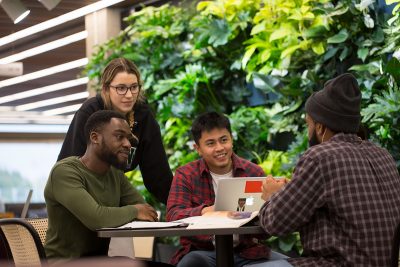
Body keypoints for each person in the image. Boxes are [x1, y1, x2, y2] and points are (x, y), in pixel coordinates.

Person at [251, 73, 400, 267]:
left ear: (320, 128)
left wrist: (272, 196)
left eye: (308, 124)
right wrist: (290, 193)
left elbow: (275, 223)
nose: (308, 131)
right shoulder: (383, 155)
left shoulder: (320, 157)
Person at [44, 110, 168, 266]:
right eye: (119, 136)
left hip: (101, 261)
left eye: (129, 139)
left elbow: (146, 212)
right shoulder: (64, 172)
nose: (128, 144)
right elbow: (97, 219)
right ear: (95, 138)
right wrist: (134, 211)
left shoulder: (115, 173)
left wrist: (137, 211)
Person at [57, 58, 172, 204]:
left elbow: (159, 176)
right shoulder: (90, 112)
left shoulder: (142, 116)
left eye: (134, 87)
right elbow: (68, 170)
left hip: (115, 191)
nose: (129, 95)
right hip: (81, 192)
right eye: (121, 88)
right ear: (106, 88)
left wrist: (183, 208)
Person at [166, 111, 270, 267]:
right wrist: (207, 211)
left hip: (248, 253)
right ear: (198, 148)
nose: (220, 148)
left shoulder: (253, 173)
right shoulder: (186, 175)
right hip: (204, 252)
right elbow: (173, 215)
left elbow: (269, 226)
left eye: (224, 140)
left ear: (232, 140)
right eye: (210, 143)